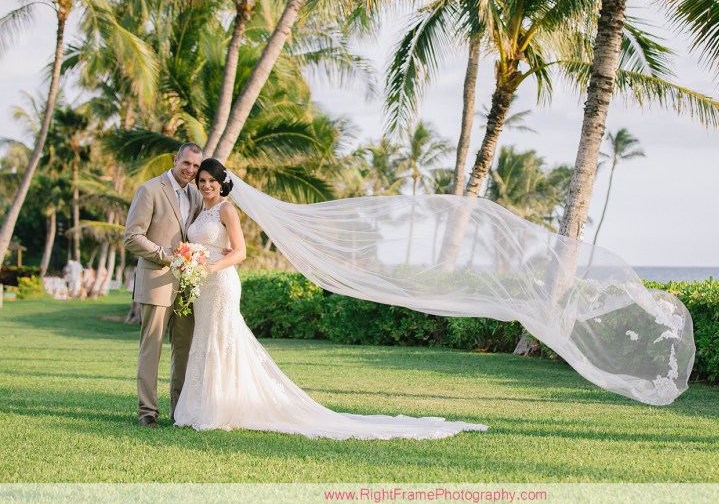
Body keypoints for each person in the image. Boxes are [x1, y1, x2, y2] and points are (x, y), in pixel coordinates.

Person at [173, 158, 488, 439]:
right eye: (201, 182)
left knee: (222, 340)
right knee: (205, 339)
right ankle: (201, 406)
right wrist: (194, 263)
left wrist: (212, 265)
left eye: (211, 181)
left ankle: (221, 407)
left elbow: (239, 251)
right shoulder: (202, 209)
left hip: (222, 282)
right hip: (203, 286)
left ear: (221, 182)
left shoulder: (228, 209)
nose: (206, 186)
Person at [123, 143, 204, 427]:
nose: (191, 170)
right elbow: (132, 236)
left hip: (186, 287)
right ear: (175, 160)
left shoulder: (196, 194)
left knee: (183, 351)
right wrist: (165, 257)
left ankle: (178, 412)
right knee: (152, 348)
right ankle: (147, 412)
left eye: (196, 166)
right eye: (187, 164)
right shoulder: (150, 190)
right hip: (156, 281)